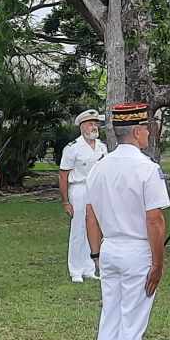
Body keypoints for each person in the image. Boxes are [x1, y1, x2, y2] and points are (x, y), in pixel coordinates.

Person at [84, 102, 169, 340]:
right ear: (136, 131)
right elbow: (155, 220)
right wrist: (158, 263)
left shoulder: (99, 167)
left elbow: (90, 217)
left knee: (111, 320)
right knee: (132, 324)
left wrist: (96, 252)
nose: (148, 132)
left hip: (110, 247)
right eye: (146, 128)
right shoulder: (146, 168)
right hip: (136, 249)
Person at [58, 109, 108, 283]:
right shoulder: (72, 148)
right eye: (90, 124)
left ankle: (89, 267)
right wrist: (65, 201)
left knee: (95, 227)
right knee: (79, 229)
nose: (94, 127)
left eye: (96, 123)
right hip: (79, 189)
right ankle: (75, 269)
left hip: (97, 189)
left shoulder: (102, 147)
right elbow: (63, 175)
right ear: (81, 126)